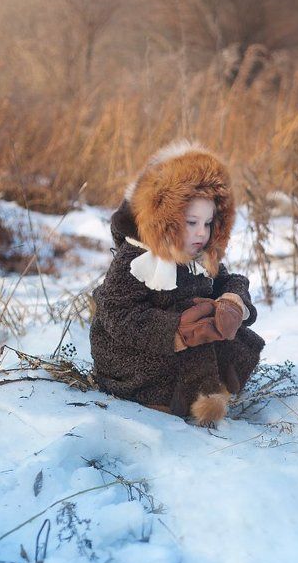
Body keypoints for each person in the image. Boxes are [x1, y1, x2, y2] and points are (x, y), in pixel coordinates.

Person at [89, 140, 264, 425]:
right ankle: (158, 398)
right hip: (135, 357)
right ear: (165, 218)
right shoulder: (135, 260)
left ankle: (206, 392)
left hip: (178, 350)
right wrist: (177, 331)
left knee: (227, 335)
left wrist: (233, 300)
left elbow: (228, 280)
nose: (201, 233)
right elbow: (117, 315)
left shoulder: (198, 255)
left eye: (208, 223)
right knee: (187, 342)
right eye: (191, 222)